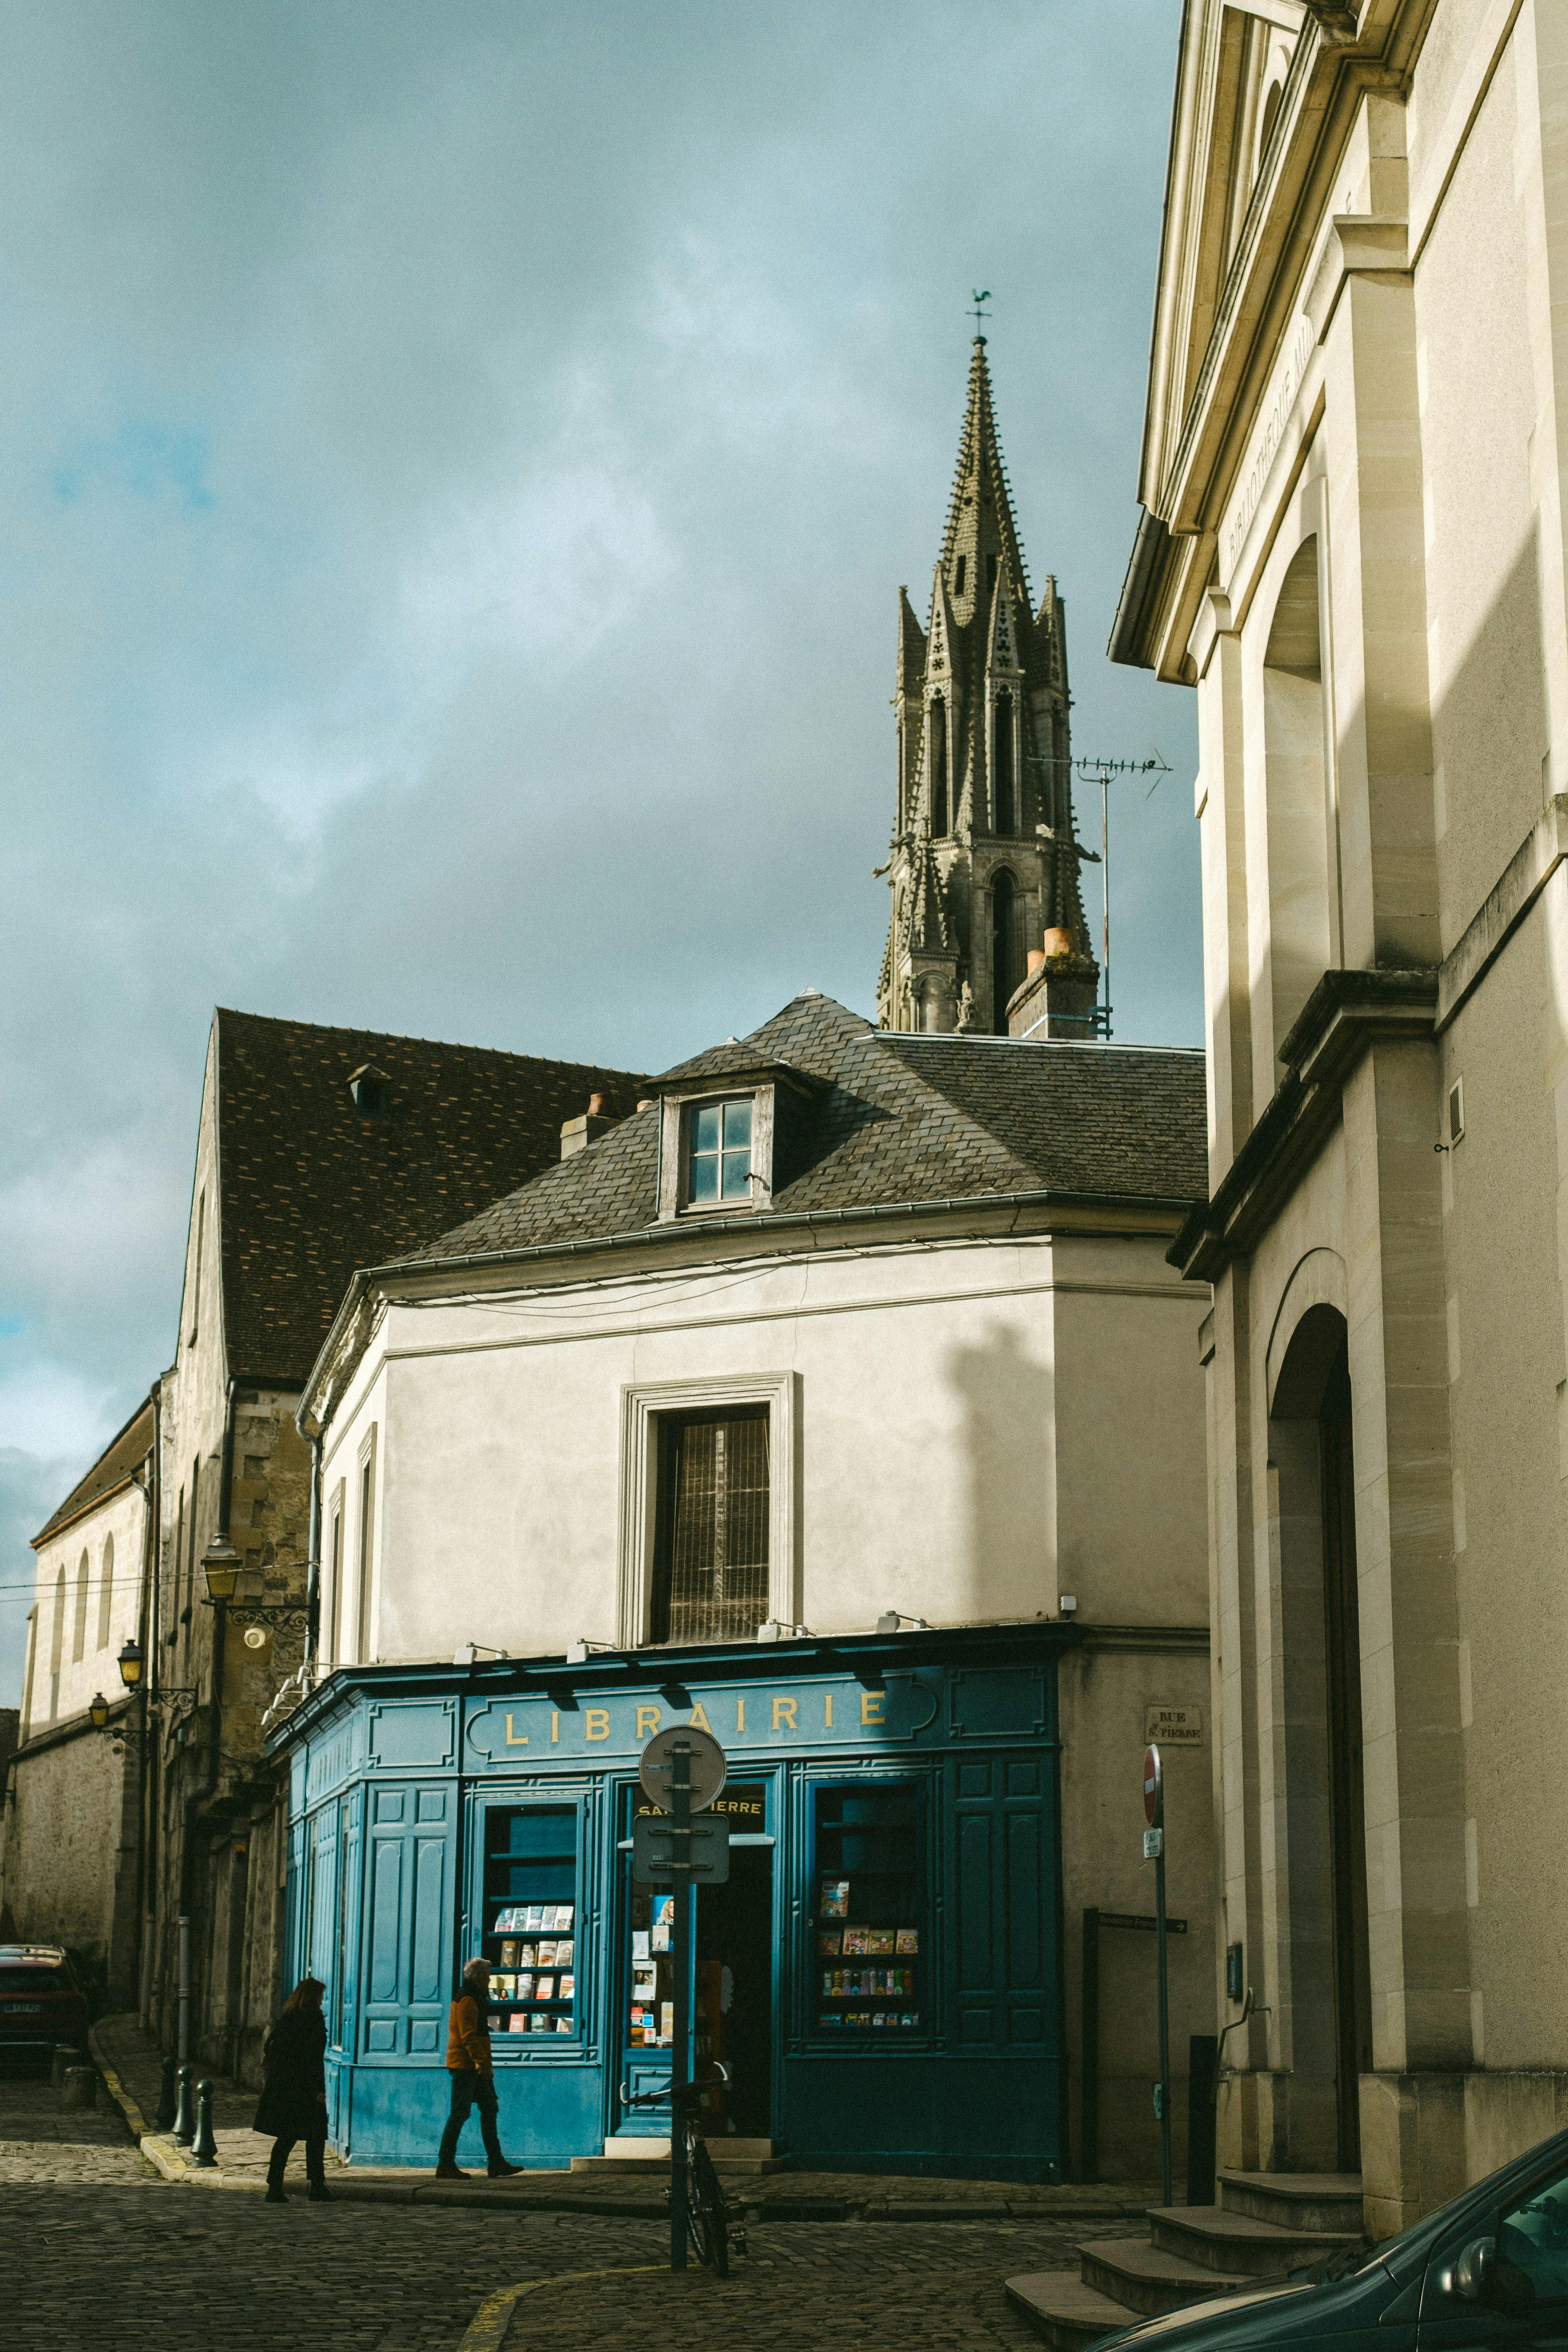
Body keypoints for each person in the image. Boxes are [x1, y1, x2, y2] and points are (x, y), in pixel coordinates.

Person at [434, 1956, 519, 2179]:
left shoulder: (476, 1997)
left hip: (475, 2065)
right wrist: (482, 2064)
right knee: (459, 2113)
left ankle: (496, 2162)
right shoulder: (468, 1999)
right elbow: (469, 2036)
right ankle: (445, 2164)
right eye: (488, 1977)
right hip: (466, 2066)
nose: (490, 1981)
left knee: (489, 2109)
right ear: (480, 1977)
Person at [254, 1975, 330, 2203]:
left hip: (284, 2087)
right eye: (320, 1996)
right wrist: (319, 2090)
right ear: (313, 1997)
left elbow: (273, 2047)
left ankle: (275, 2187)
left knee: (286, 2138)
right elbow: (313, 2058)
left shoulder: (288, 2018)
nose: (321, 2000)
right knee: (316, 2138)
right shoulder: (313, 2019)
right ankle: (317, 2187)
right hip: (305, 2088)